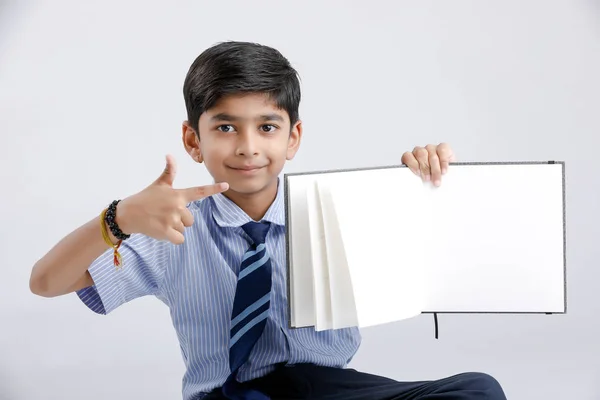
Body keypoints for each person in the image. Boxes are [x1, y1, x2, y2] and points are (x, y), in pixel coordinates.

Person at [29, 41, 507, 400]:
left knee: (478, 390)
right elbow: (46, 282)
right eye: (225, 127)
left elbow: (441, 249)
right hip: (225, 395)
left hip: (329, 389)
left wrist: (423, 184)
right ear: (193, 140)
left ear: (292, 137)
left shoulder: (343, 212)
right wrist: (119, 218)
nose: (248, 146)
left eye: (267, 127)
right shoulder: (173, 228)